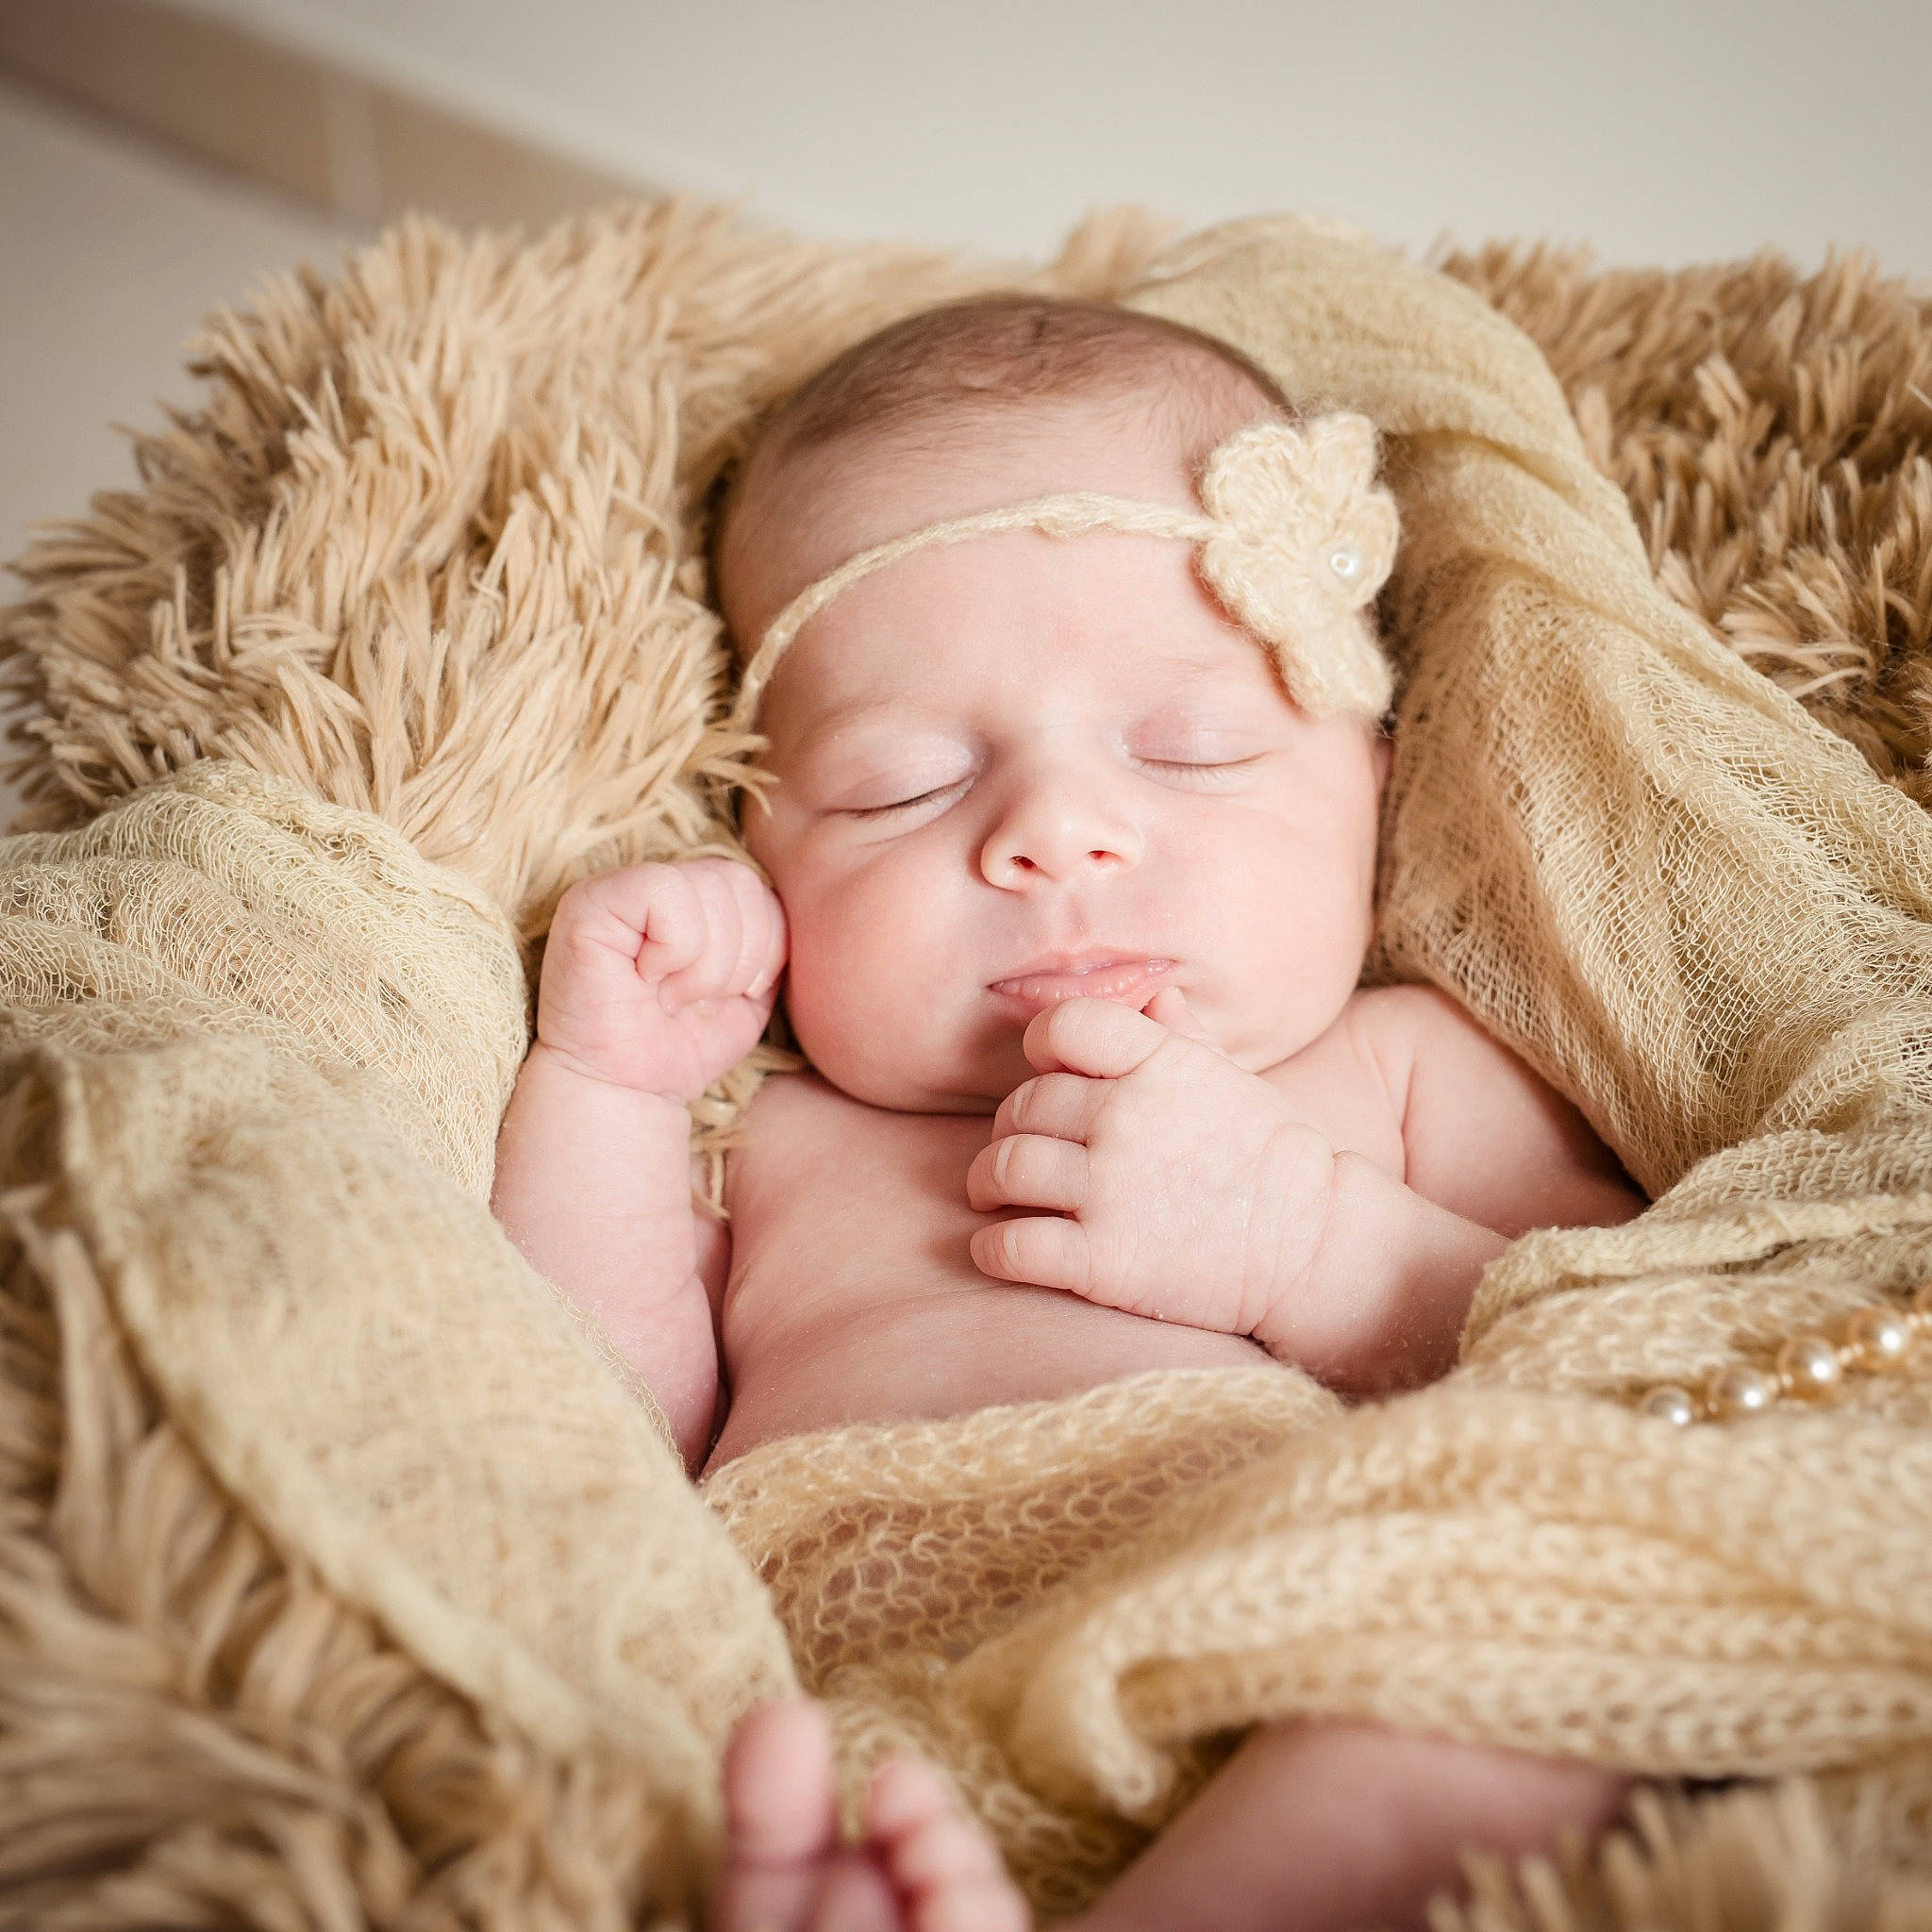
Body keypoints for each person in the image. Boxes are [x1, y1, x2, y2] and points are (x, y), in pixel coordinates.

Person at [491, 295, 1645, 1932]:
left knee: (1547, 1645)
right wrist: (606, 1088)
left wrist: (1311, 1243)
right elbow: (592, 1412)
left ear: (1375, 788)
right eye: (900, 784)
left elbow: (1624, 1366)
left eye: (1192, 750)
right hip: (851, 1694)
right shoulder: (789, 1128)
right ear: (764, 844)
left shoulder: (1406, 1071)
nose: (1058, 831)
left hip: (1304, 1637)